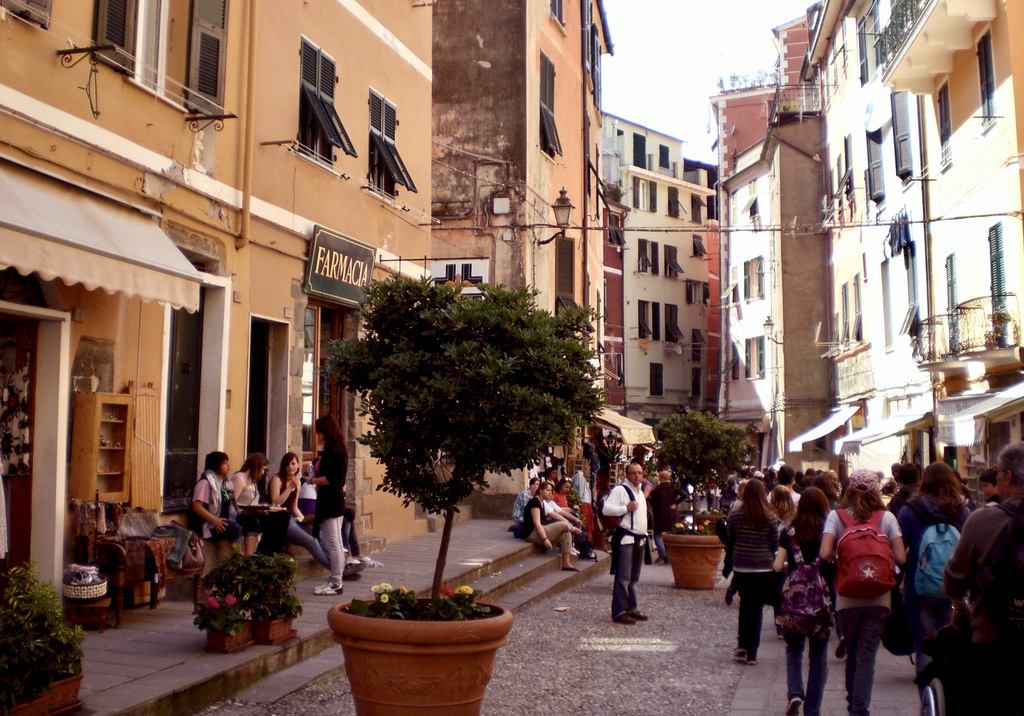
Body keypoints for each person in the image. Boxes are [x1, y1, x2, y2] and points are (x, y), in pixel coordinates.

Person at [944, 442, 1024, 716]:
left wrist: (959, 605)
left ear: (1008, 477)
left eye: (998, 472)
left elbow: (955, 576)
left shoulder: (982, 520)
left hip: (993, 633)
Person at [820, 469, 906, 716]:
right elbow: (900, 556)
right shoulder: (886, 518)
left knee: (853, 651)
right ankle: (860, 709)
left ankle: (852, 702)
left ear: (849, 489)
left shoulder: (837, 517)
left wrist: (845, 557)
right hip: (880, 595)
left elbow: (825, 552)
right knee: (868, 654)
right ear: (876, 490)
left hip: (847, 595)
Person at [896, 461, 971, 677]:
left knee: (924, 646)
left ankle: (928, 704)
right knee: (948, 644)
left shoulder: (910, 510)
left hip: (918, 588)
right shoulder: (962, 511)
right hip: (951, 588)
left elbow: (900, 548)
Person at [773, 487, 832, 716]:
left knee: (793, 649)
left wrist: (795, 567)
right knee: (818, 656)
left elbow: (778, 566)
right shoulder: (829, 531)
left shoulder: (789, 532)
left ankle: (795, 693)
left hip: (794, 605)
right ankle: (813, 709)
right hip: (821, 604)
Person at [727, 478, 780, 664]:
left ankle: (742, 643)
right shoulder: (769, 516)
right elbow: (775, 542)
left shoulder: (735, 514)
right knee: (757, 608)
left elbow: (730, 538)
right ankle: (753, 652)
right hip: (762, 567)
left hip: (741, 565)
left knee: (745, 605)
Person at [603, 461, 649, 624]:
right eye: (634, 473)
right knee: (623, 577)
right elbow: (606, 509)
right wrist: (625, 508)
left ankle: (631, 608)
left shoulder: (641, 493)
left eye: (639, 472)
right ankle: (619, 611)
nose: (637, 475)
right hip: (626, 539)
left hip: (639, 538)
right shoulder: (620, 490)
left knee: (633, 577)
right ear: (627, 475)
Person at [269, 451, 331, 571]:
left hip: (292, 517)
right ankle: (334, 568)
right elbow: (276, 502)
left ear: (298, 465)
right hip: (280, 520)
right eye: (287, 464)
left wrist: (305, 519)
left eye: (293, 464)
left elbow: (295, 507)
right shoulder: (277, 479)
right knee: (311, 542)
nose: (290, 467)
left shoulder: (296, 482)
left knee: (318, 535)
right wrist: (290, 488)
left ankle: (338, 564)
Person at [311, 415, 347, 596]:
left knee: (333, 543)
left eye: (319, 431)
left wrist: (310, 480)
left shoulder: (333, 450)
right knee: (337, 543)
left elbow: (330, 479)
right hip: (336, 499)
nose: (318, 435)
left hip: (330, 501)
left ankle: (335, 582)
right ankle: (336, 580)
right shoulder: (339, 448)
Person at [523, 480, 580, 571]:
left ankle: (566, 563)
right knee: (563, 525)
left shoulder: (542, 502)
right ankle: (573, 529)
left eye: (551, 491)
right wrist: (545, 539)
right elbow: (537, 523)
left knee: (566, 533)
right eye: (548, 490)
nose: (550, 492)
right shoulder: (535, 502)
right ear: (541, 490)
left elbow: (557, 513)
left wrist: (575, 519)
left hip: (540, 531)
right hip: (532, 534)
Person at [191, 451, 242, 548]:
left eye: (228, 462)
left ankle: (249, 556)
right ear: (215, 466)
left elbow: (227, 502)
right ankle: (240, 558)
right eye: (224, 463)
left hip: (223, 520)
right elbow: (196, 506)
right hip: (208, 525)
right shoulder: (205, 483)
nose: (228, 465)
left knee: (249, 522)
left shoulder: (225, 484)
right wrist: (214, 520)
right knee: (235, 528)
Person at [232, 452, 268, 555]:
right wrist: (247, 508)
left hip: (249, 513)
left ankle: (259, 554)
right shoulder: (239, 478)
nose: (263, 473)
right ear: (256, 466)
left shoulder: (254, 482)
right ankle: (246, 557)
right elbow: (230, 501)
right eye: (263, 469)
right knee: (253, 522)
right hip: (237, 514)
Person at [649, 470, 682, 564]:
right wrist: (675, 503)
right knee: (669, 535)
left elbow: (654, 505)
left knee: (657, 535)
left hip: (660, 515)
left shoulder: (656, 491)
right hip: (672, 515)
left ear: (661, 478)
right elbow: (684, 495)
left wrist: (654, 518)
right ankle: (667, 559)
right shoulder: (674, 488)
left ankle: (662, 552)